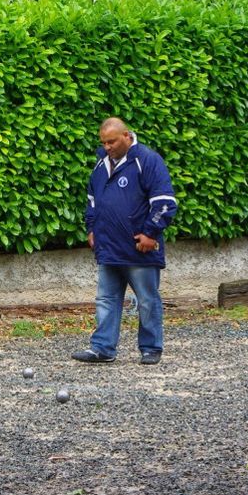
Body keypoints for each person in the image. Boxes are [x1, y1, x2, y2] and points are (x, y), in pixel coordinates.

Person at [72, 117, 177, 365]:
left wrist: (151, 233)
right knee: (106, 300)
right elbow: (92, 201)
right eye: (103, 143)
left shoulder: (147, 160)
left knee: (147, 300)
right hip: (108, 248)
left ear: (127, 136)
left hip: (138, 249)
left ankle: (151, 348)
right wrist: (92, 228)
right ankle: (102, 348)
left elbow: (165, 202)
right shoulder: (101, 164)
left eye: (112, 142)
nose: (107, 147)